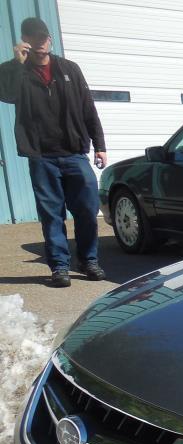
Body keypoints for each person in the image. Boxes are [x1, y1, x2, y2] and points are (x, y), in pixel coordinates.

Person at [0, 17, 107, 287]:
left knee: (86, 209)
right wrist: (16, 64)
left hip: (74, 153)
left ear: (50, 39)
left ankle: (88, 260)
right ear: (24, 40)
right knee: (51, 214)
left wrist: (100, 145)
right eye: (33, 37)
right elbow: (8, 95)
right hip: (42, 157)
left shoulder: (69, 69)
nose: (39, 42)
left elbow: (87, 108)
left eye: (43, 37)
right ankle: (59, 266)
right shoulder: (15, 72)